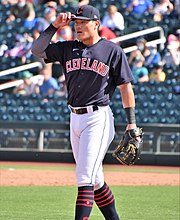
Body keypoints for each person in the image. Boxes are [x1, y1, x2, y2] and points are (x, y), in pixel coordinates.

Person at [31, 5, 141, 219]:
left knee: (84, 177)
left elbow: (125, 87)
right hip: (75, 118)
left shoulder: (112, 50)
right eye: (76, 22)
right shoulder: (68, 48)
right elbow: (37, 50)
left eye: (83, 22)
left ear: (96, 24)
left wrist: (131, 123)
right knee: (96, 179)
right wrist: (54, 26)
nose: (78, 26)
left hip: (97, 118)